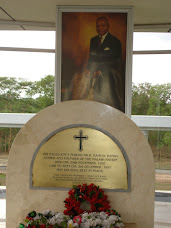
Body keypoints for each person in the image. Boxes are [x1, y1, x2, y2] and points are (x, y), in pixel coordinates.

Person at [86, 16, 124, 111]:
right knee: (94, 105)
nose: (100, 28)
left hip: (109, 79)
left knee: (111, 105)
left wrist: (100, 72)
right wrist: (88, 69)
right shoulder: (93, 40)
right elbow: (91, 58)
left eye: (103, 26)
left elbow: (116, 62)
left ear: (108, 26)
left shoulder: (115, 42)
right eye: (98, 26)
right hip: (94, 79)